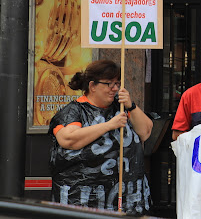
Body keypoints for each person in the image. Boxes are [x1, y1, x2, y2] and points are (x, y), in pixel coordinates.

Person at [48, 60, 153, 215]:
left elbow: (145, 132)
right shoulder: (74, 111)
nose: (115, 89)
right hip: (84, 202)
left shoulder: (122, 107)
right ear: (92, 86)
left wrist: (131, 106)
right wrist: (109, 125)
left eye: (117, 83)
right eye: (109, 84)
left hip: (127, 203)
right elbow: (68, 139)